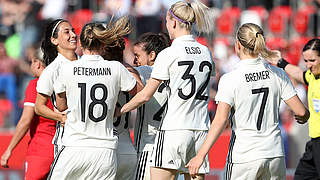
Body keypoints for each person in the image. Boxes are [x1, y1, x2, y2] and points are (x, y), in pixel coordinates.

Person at [186, 23, 310, 180]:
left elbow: (220, 120)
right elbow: (301, 112)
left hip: (244, 156)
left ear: (238, 44)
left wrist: (200, 155)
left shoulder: (230, 78)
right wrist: (303, 117)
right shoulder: (278, 73)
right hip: (274, 154)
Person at [118, 1, 215, 179]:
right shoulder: (205, 51)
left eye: (167, 22)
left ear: (174, 23)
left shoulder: (169, 53)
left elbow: (145, 95)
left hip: (174, 130)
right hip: (201, 130)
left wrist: (120, 111)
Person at [47, 17, 143, 179]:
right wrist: (121, 109)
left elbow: (61, 106)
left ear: (81, 44)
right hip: (104, 151)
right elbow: (141, 92)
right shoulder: (116, 68)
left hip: (74, 147)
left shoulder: (68, 69)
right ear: (103, 45)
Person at [0, 47, 60, 179]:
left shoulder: (36, 85)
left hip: (41, 149)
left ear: (37, 63)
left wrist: (9, 149)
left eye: (31, 62)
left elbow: (26, 120)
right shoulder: (63, 84)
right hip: (64, 148)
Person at [266, 38, 320, 179]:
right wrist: (280, 62)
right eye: (306, 61)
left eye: (312, 61)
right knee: (302, 176)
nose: (308, 65)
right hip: (314, 143)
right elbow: (299, 74)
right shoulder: (313, 76)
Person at [100, 19, 144, 180]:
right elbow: (142, 92)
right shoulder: (130, 71)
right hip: (127, 147)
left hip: (105, 147)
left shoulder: (98, 73)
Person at [35, 19, 78, 156]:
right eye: (67, 32)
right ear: (54, 40)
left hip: (92, 140)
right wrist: (61, 117)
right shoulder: (52, 70)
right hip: (67, 140)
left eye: (73, 31)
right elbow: (39, 107)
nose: (73, 35)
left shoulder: (87, 63)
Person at [132, 32, 171, 180]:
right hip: (167, 147)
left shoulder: (144, 72)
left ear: (152, 55)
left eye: (137, 55)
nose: (135, 61)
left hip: (148, 148)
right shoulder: (173, 74)